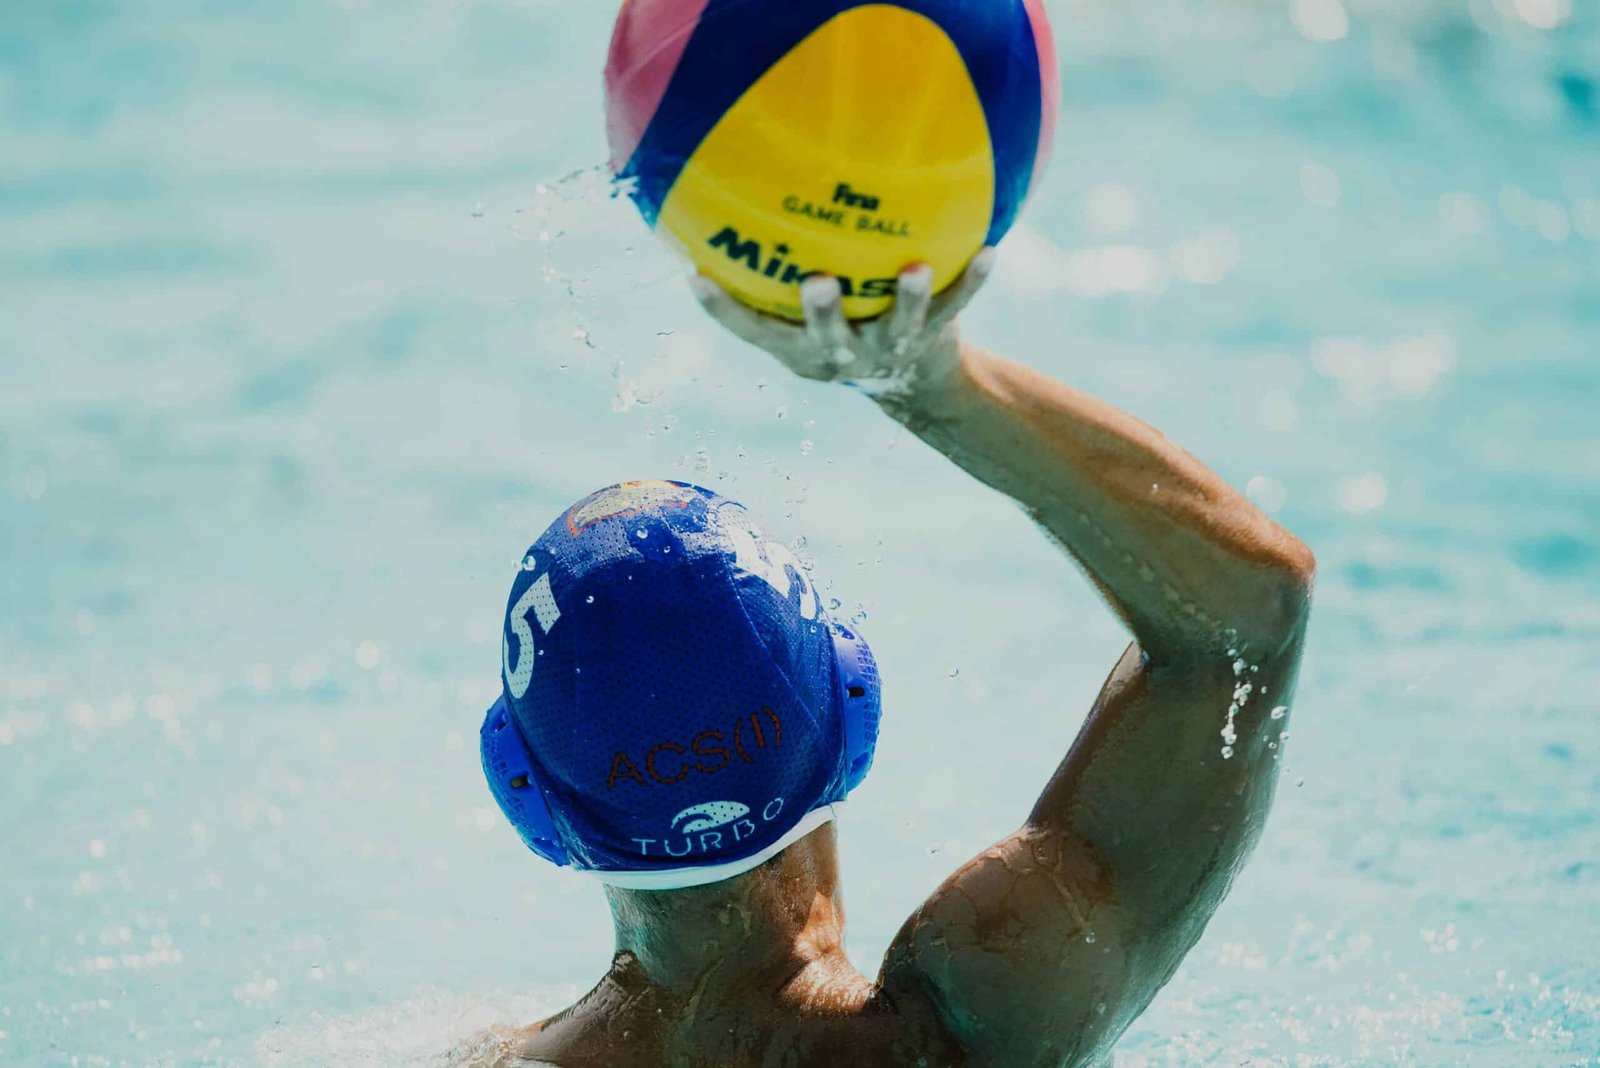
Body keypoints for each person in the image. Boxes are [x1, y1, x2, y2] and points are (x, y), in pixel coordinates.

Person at [466, 253, 1315, 1068]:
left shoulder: (454, 1056)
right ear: (854, 714)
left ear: (528, 795)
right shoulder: (966, 1037)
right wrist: (933, 385)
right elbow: (1245, 622)